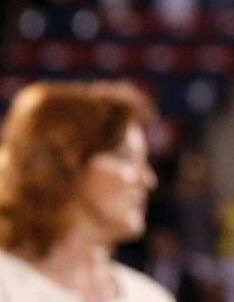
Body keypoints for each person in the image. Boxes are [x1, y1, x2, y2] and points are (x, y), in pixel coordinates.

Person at [0, 81, 173, 301]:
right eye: (125, 157)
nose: (148, 179)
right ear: (64, 163)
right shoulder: (6, 283)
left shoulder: (150, 296)